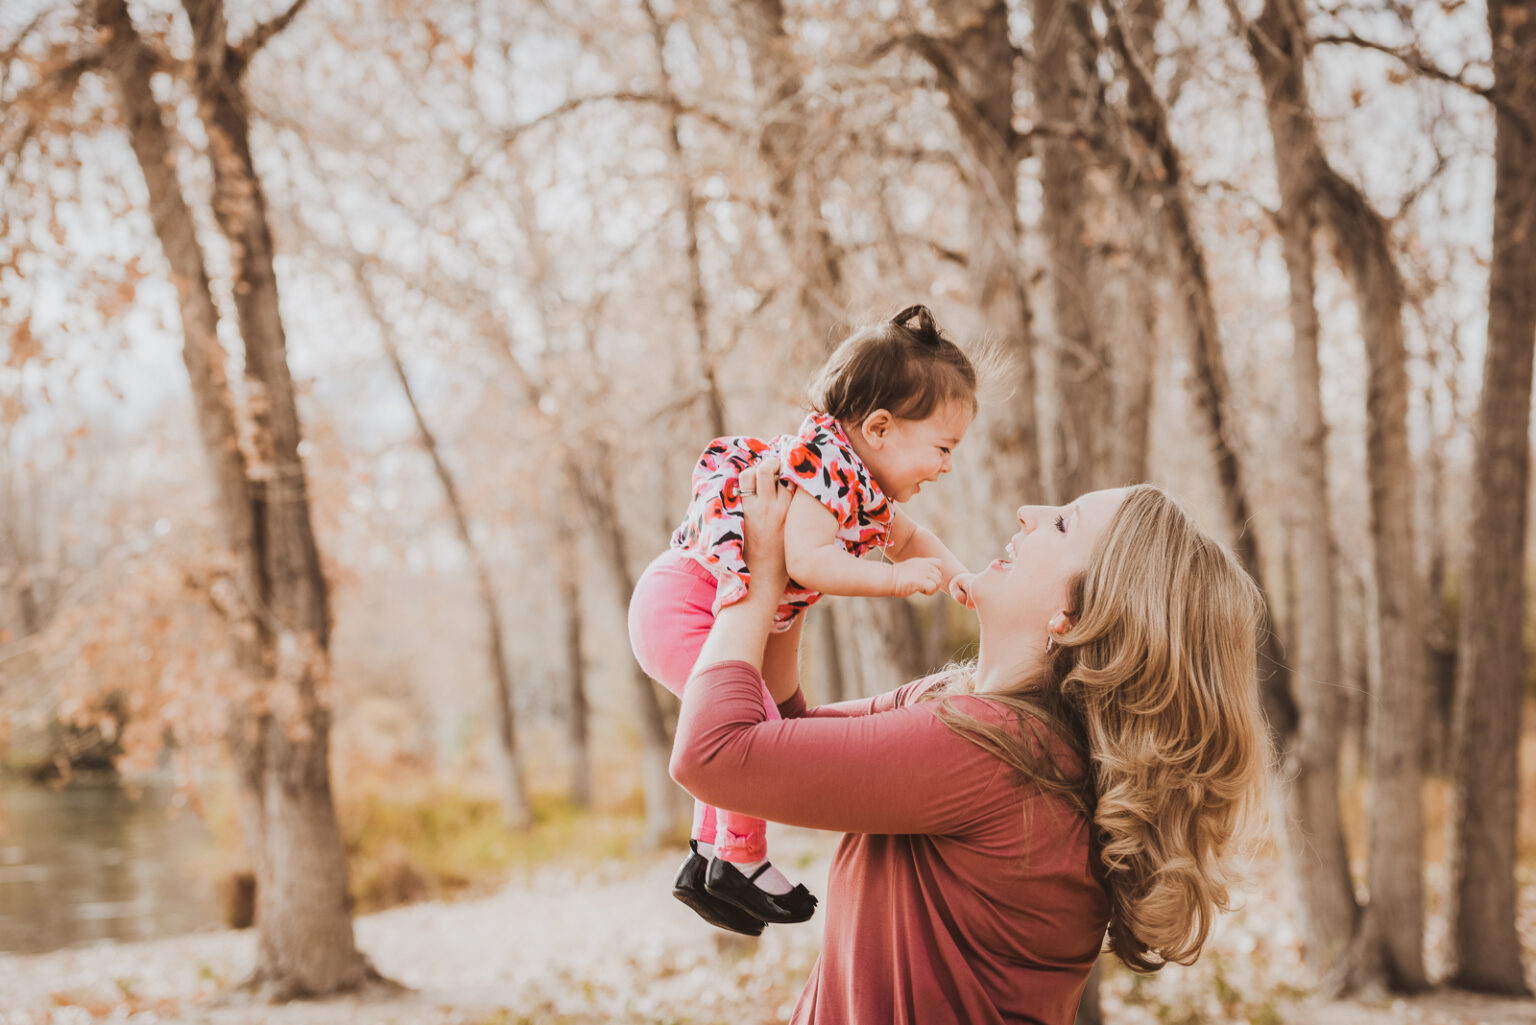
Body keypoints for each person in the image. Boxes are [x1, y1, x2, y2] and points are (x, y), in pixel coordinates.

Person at [670, 458, 1273, 1025]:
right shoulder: (964, 709)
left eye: (1062, 524)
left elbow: (715, 753)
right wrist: (793, 582)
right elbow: (782, 738)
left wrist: (755, 572)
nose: (1029, 512)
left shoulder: (996, 752)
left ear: (1072, 612)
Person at [628, 304, 980, 935]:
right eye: (943, 447)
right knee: (749, 724)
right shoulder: (820, 469)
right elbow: (809, 561)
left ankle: (706, 858)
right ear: (879, 428)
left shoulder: (861, 483)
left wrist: (965, 582)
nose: (948, 465)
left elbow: (912, 538)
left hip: (708, 609)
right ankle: (739, 858)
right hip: (683, 602)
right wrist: (895, 581)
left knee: (770, 715)